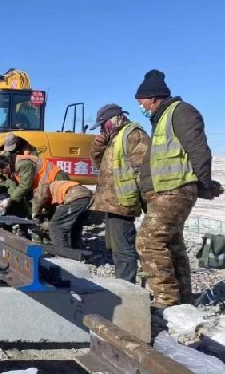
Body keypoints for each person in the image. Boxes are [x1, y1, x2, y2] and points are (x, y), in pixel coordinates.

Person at [135, 69, 220, 308]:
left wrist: (204, 184)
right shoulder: (161, 119)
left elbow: (199, 149)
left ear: (153, 98)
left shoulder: (181, 112)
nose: (141, 107)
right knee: (172, 244)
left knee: (148, 241)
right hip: (166, 191)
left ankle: (166, 301)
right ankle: (181, 300)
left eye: (141, 102)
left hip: (175, 190)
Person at [89, 103, 149, 283]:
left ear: (116, 119)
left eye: (103, 124)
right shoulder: (114, 139)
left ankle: (126, 289)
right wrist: (99, 143)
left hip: (123, 202)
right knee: (115, 247)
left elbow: (145, 171)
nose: (101, 129)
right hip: (111, 202)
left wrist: (148, 203)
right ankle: (121, 283)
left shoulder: (133, 135)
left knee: (123, 248)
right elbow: (99, 164)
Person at [0, 148, 69, 218]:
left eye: (2, 171)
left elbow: (24, 186)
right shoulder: (12, 167)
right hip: (47, 185)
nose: (3, 174)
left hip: (55, 179)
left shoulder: (22, 165)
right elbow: (14, 187)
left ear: (6, 165)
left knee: (62, 211)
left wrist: (10, 200)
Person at [31, 181, 92, 248]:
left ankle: (63, 251)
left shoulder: (42, 187)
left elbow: (38, 200)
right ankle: (76, 247)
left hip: (76, 197)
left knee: (55, 226)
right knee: (75, 225)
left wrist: (35, 214)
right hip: (88, 196)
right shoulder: (55, 187)